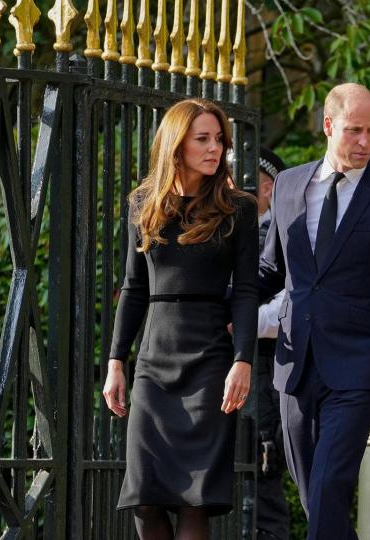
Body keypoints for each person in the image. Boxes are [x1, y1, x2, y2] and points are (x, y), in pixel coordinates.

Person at [258, 82, 370, 539]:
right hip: (293, 364)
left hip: (357, 365)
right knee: (314, 494)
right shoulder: (290, 184)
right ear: (328, 126)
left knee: (331, 484)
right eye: (354, 130)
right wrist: (213, 296)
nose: (365, 142)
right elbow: (271, 269)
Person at [103, 98, 259, 539]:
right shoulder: (143, 203)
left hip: (210, 362)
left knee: (195, 499)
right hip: (153, 363)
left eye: (219, 140)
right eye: (203, 139)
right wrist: (116, 361)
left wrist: (242, 360)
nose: (216, 149)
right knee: (144, 496)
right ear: (177, 144)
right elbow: (134, 288)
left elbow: (246, 290)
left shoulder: (238, 208)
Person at [253, 147, 291, 539]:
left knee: (264, 467)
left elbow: (287, 310)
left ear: (266, 187)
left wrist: (238, 321)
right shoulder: (222, 227)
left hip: (264, 368)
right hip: (218, 364)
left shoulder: (286, 231)